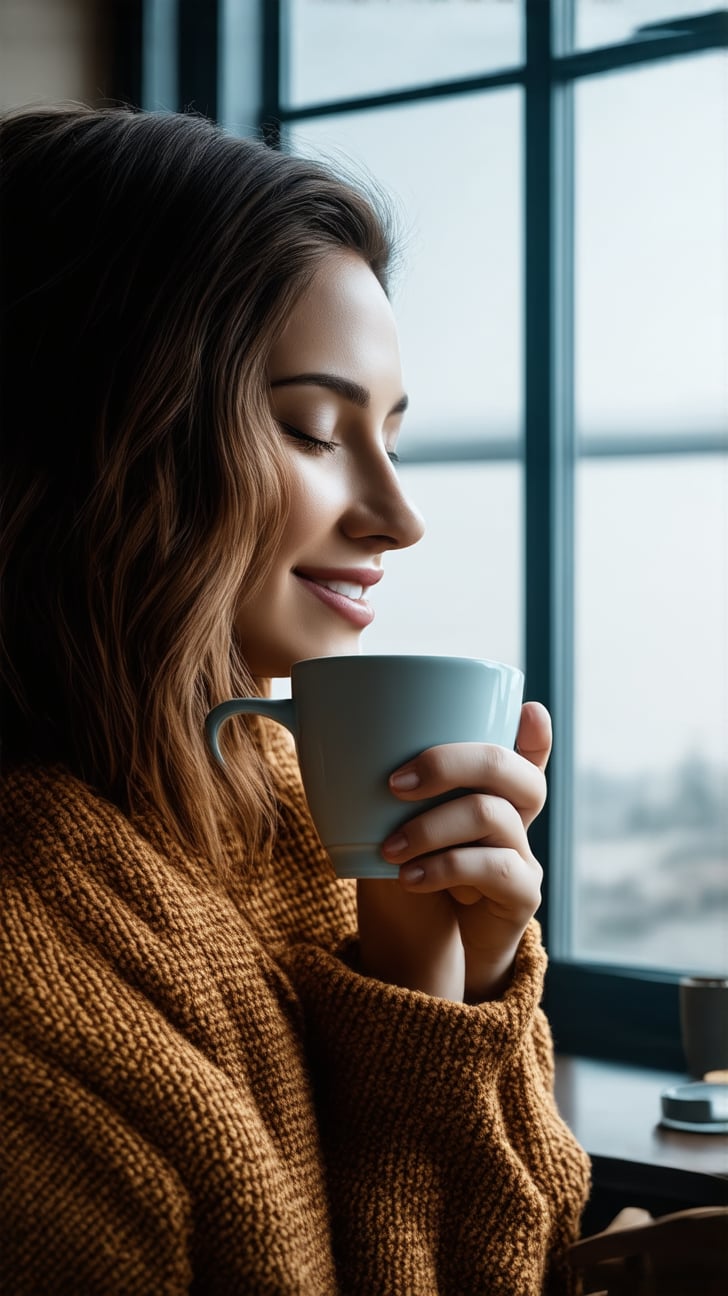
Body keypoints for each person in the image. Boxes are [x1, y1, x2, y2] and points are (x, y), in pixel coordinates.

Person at [0, 104, 590, 1294]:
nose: (397, 517)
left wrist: (435, 981)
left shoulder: (293, 807)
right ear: (84, 437)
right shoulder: (33, 985)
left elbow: (528, 1258)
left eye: (391, 437)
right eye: (314, 430)